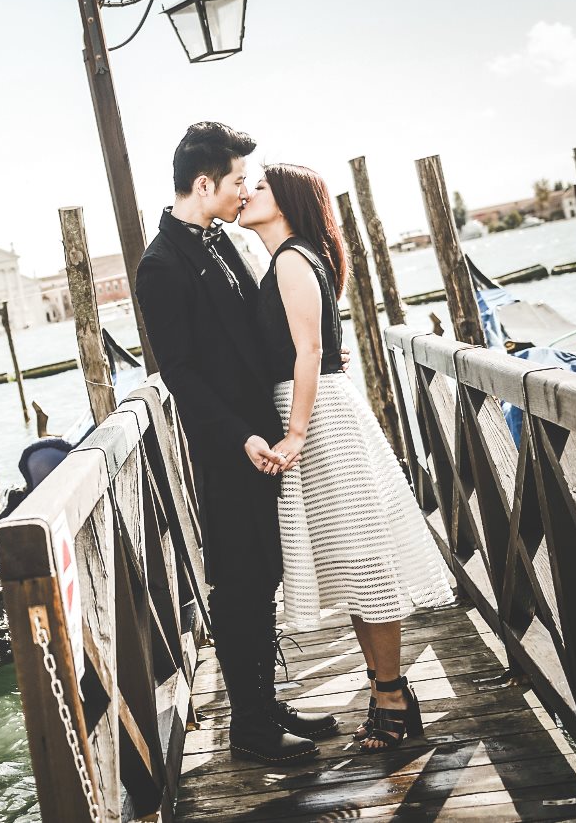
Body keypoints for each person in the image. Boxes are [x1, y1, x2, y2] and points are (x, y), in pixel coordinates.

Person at [136, 122, 337, 764]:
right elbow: (180, 373)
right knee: (240, 581)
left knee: (265, 575)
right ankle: (250, 726)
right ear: (204, 184)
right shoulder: (161, 264)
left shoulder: (221, 239)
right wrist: (244, 434)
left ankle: (265, 702)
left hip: (262, 438)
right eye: (237, 181)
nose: (245, 190)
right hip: (228, 446)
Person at [239, 163, 454, 751]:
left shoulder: (289, 258)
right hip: (316, 410)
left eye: (257, 186)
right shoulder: (292, 256)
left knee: (364, 562)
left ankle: (390, 698)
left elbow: (309, 350)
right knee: (355, 566)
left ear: (284, 201)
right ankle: (389, 693)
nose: (246, 192)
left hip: (318, 420)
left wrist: (298, 432)